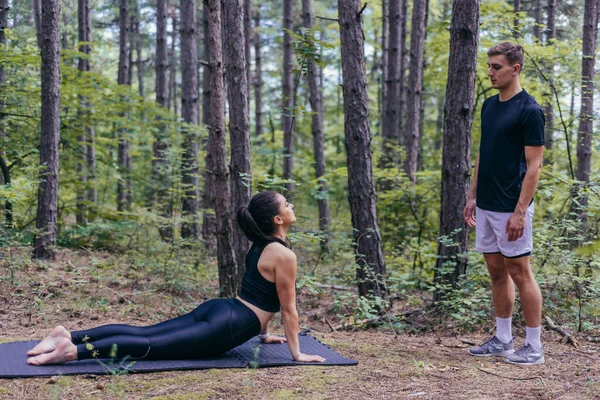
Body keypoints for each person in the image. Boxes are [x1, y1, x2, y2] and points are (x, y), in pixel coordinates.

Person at [27, 191, 325, 365]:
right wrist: (296, 354)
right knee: (151, 345)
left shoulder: (261, 244)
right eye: (287, 204)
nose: (292, 206)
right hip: (230, 325)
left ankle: (69, 335)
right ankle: (73, 351)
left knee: (144, 332)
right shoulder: (284, 255)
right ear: (277, 219)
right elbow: (287, 308)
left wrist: (262, 334)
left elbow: (259, 291)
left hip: (221, 309)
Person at [464, 42, 545, 365]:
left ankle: (535, 346)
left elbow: (535, 165)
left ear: (516, 69)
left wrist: (520, 211)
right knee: (496, 271)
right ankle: (502, 340)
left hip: (513, 206)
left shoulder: (530, 110)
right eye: (489, 66)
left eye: (496, 67)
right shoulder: (489, 105)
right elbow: (485, 152)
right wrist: (473, 196)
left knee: (520, 271)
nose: (490, 72)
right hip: (486, 203)